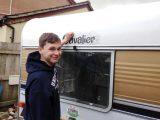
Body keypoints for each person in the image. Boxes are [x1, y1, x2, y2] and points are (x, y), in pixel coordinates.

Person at [24, 32, 74, 120]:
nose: (57, 53)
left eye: (58, 49)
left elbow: (53, 48)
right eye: (52, 49)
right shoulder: (40, 80)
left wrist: (65, 40)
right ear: (40, 50)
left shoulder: (46, 64)